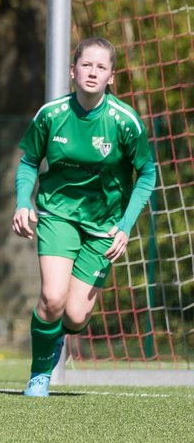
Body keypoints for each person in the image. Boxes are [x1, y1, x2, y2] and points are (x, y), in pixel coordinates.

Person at [12, 36, 156, 397]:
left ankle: (57, 335)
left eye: (101, 67)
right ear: (72, 70)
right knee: (52, 297)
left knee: (75, 316)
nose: (93, 72)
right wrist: (22, 201)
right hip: (58, 215)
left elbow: (148, 175)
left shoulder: (125, 122)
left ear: (111, 77)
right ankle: (39, 375)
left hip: (103, 226)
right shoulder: (51, 115)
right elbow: (29, 161)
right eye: (86, 65)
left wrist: (124, 227)